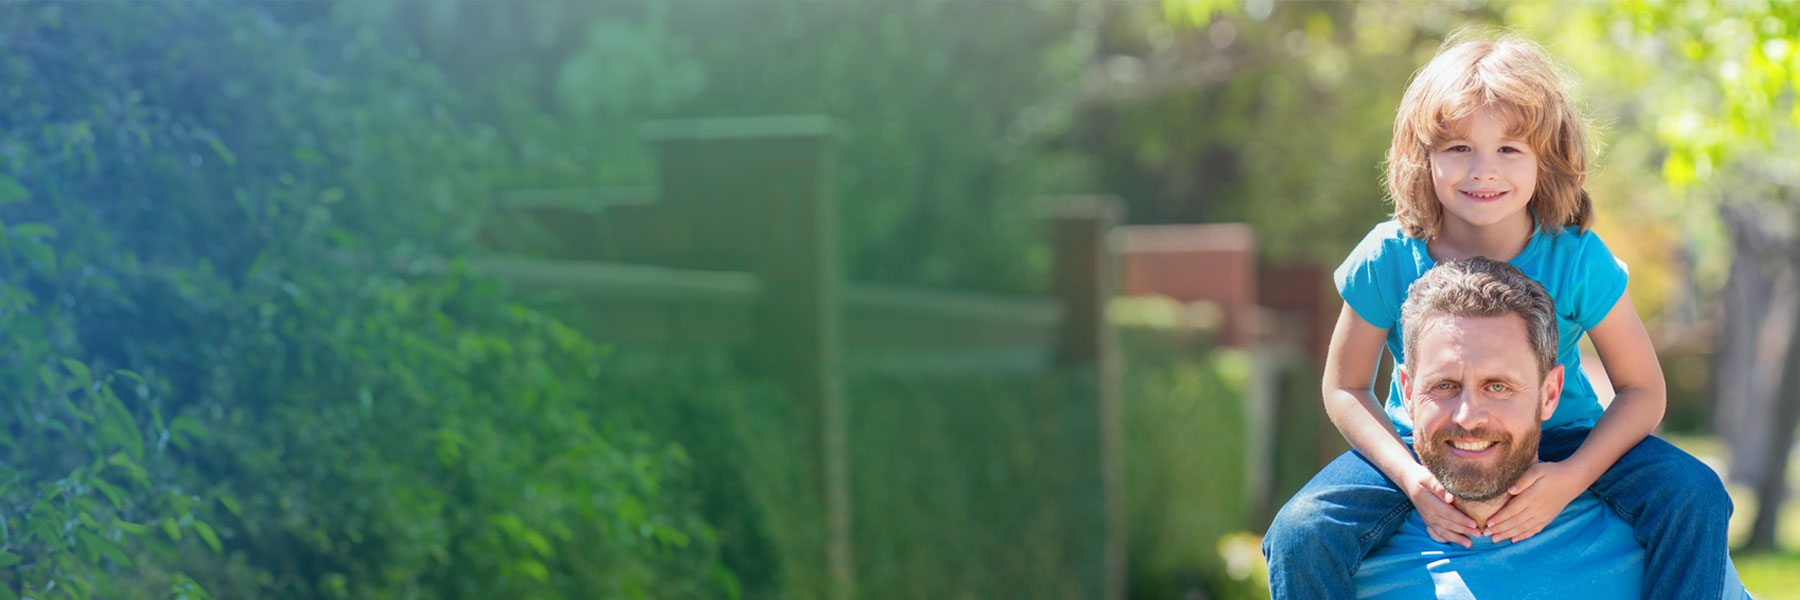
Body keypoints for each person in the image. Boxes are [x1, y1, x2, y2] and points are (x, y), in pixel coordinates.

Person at [1261, 33, 1732, 599]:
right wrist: (1413, 481)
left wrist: (1568, 480)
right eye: (1459, 148)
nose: (1484, 171)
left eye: (1510, 149)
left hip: (1565, 439)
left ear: (1545, 158)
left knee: (1696, 493)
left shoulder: (1577, 258)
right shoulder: (1386, 256)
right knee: (1299, 531)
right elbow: (1344, 387)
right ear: (1424, 156)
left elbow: (1642, 390)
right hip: (1420, 445)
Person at [1348, 257, 1749, 599]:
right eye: (1444, 386)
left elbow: (1644, 391)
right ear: (1407, 391)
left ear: (1551, 393)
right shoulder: (1342, 563)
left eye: (1499, 386)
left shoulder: (1667, 544)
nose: (1468, 416)